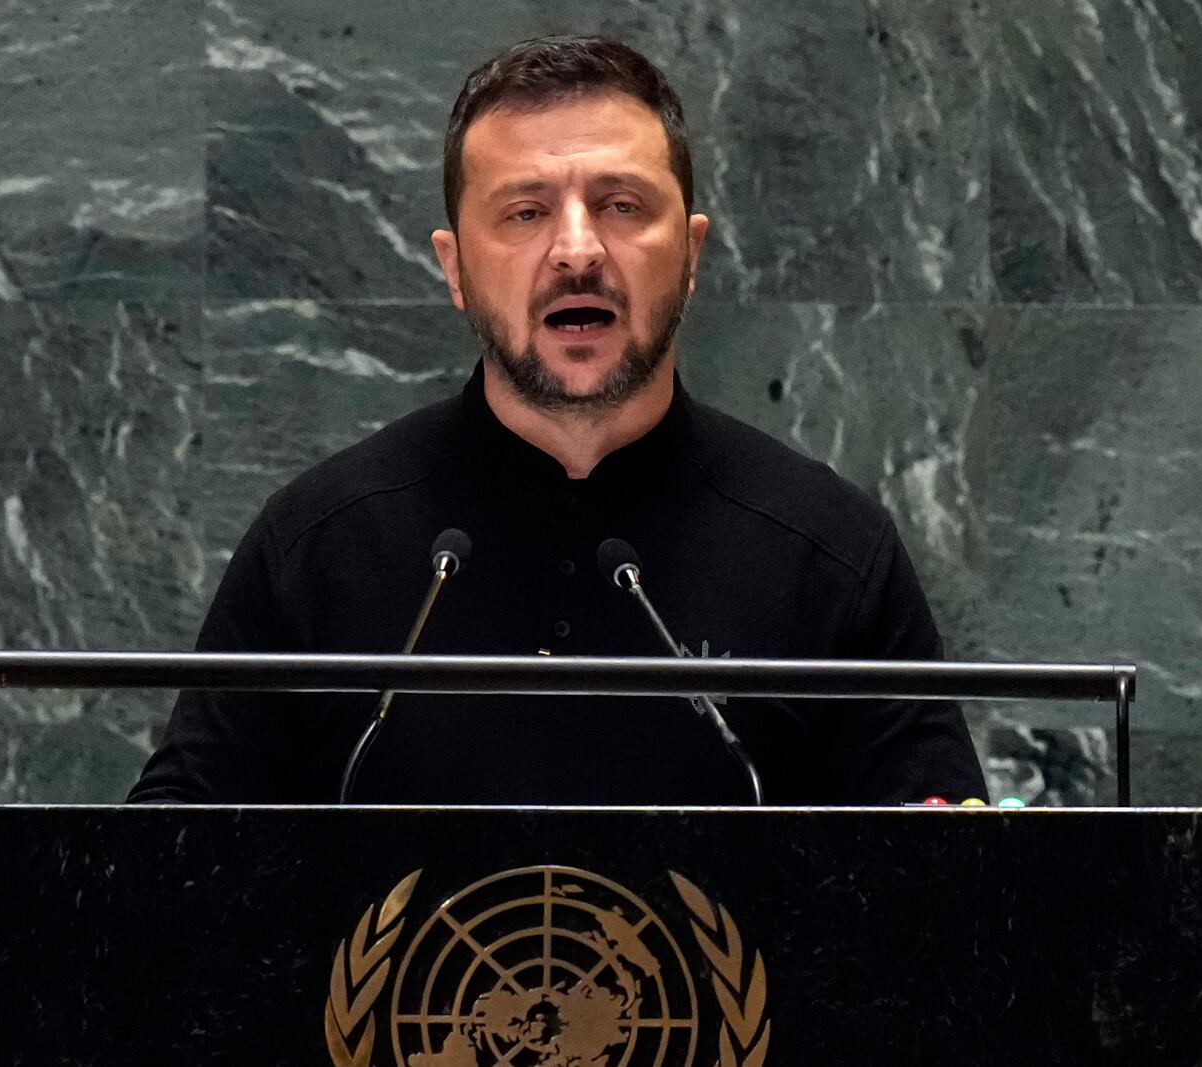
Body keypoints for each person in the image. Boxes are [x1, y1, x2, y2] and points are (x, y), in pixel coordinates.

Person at [128, 35, 986, 806]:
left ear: (689, 255)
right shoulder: (316, 545)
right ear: (455, 267)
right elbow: (166, 883)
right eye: (526, 212)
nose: (577, 251)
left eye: (621, 206)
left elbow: (947, 908)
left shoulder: (831, 553)